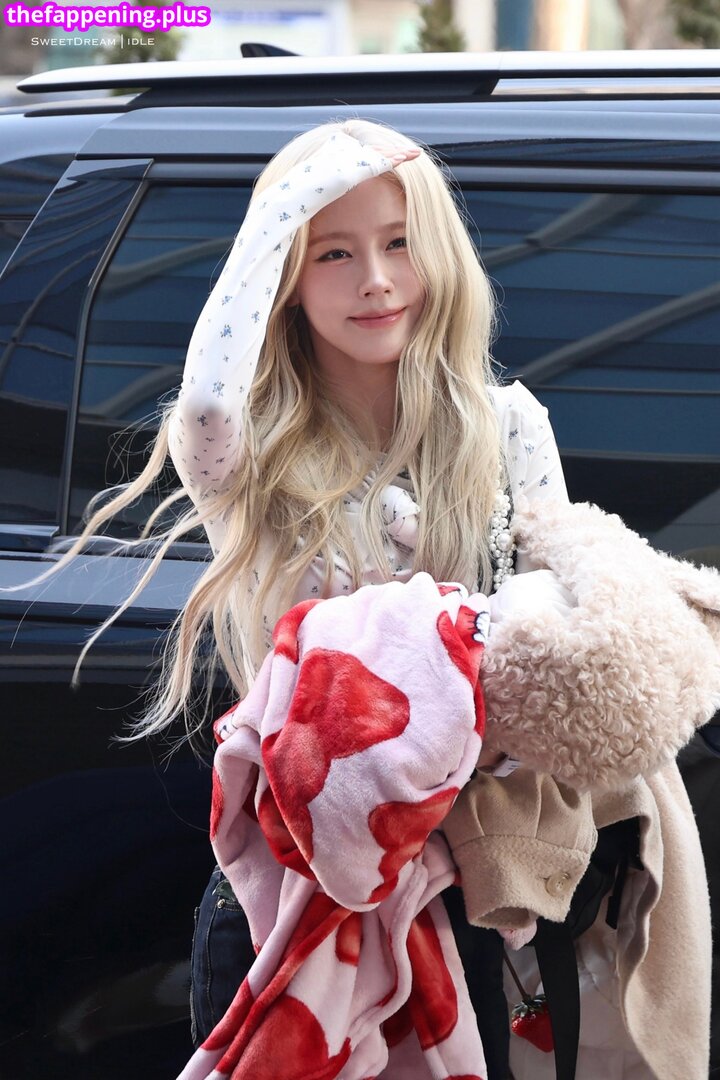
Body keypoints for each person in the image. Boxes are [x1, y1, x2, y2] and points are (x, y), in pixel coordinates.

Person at [10, 120, 716, 1078]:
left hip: (476, 887)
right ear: (285, 278)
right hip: (301, 894)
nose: (376, 280)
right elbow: (207, 402)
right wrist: (291, 202)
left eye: (399, 241)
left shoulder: (507, 423)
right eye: (331, 253)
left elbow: (557, 629)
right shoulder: (251, 452)